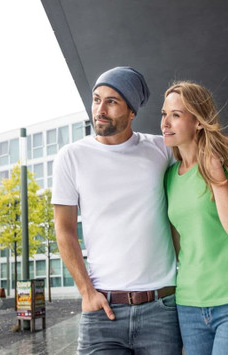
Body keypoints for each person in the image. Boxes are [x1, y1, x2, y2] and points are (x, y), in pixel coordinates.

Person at [52, 66, 182, 354]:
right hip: (102, 310)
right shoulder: (71, 157)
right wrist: (86, 292)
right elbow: (64, 229)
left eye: (112, 101)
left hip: (161, 309)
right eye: (97, 99)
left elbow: (200, 154)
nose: (100, 109)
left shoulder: (162, 150)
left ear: (132, 111)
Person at [161, 81, 228, 354]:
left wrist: (217, 177)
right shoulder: (170, 177)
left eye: (176, 115)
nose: (165, 122)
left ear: (198, 121)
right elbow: (179, 245)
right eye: (164, 114)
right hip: (189, 304)